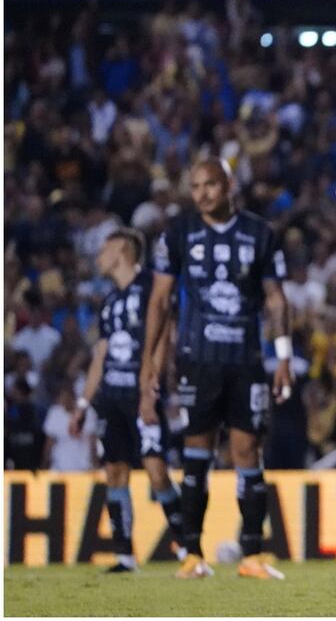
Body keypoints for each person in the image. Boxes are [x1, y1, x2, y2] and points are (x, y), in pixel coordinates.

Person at [140, 158, 292, 580]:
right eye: (195, 186)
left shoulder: (260, 233)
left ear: (229, 185)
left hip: (245, 360)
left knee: (247, 452)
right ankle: (192, 555)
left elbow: (276, 300)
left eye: (211, 184)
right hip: (198, 360)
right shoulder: (178, 233)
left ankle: (251, 555)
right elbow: (159, 301)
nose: (202, 193)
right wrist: (148, 364)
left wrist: (282, 356)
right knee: (197, 453)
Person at [67, 228, 186, 572]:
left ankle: (186, 548)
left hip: (141, 394)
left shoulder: (152, 286)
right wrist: (82, 406)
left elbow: (165, 336)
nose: (99, 258)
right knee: (115, 472)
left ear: (121, 250)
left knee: (156, 471)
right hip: (111, 399)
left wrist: (151, 388)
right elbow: (100, 357)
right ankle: (124, 555)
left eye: (104, 251)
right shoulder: (108, 302)